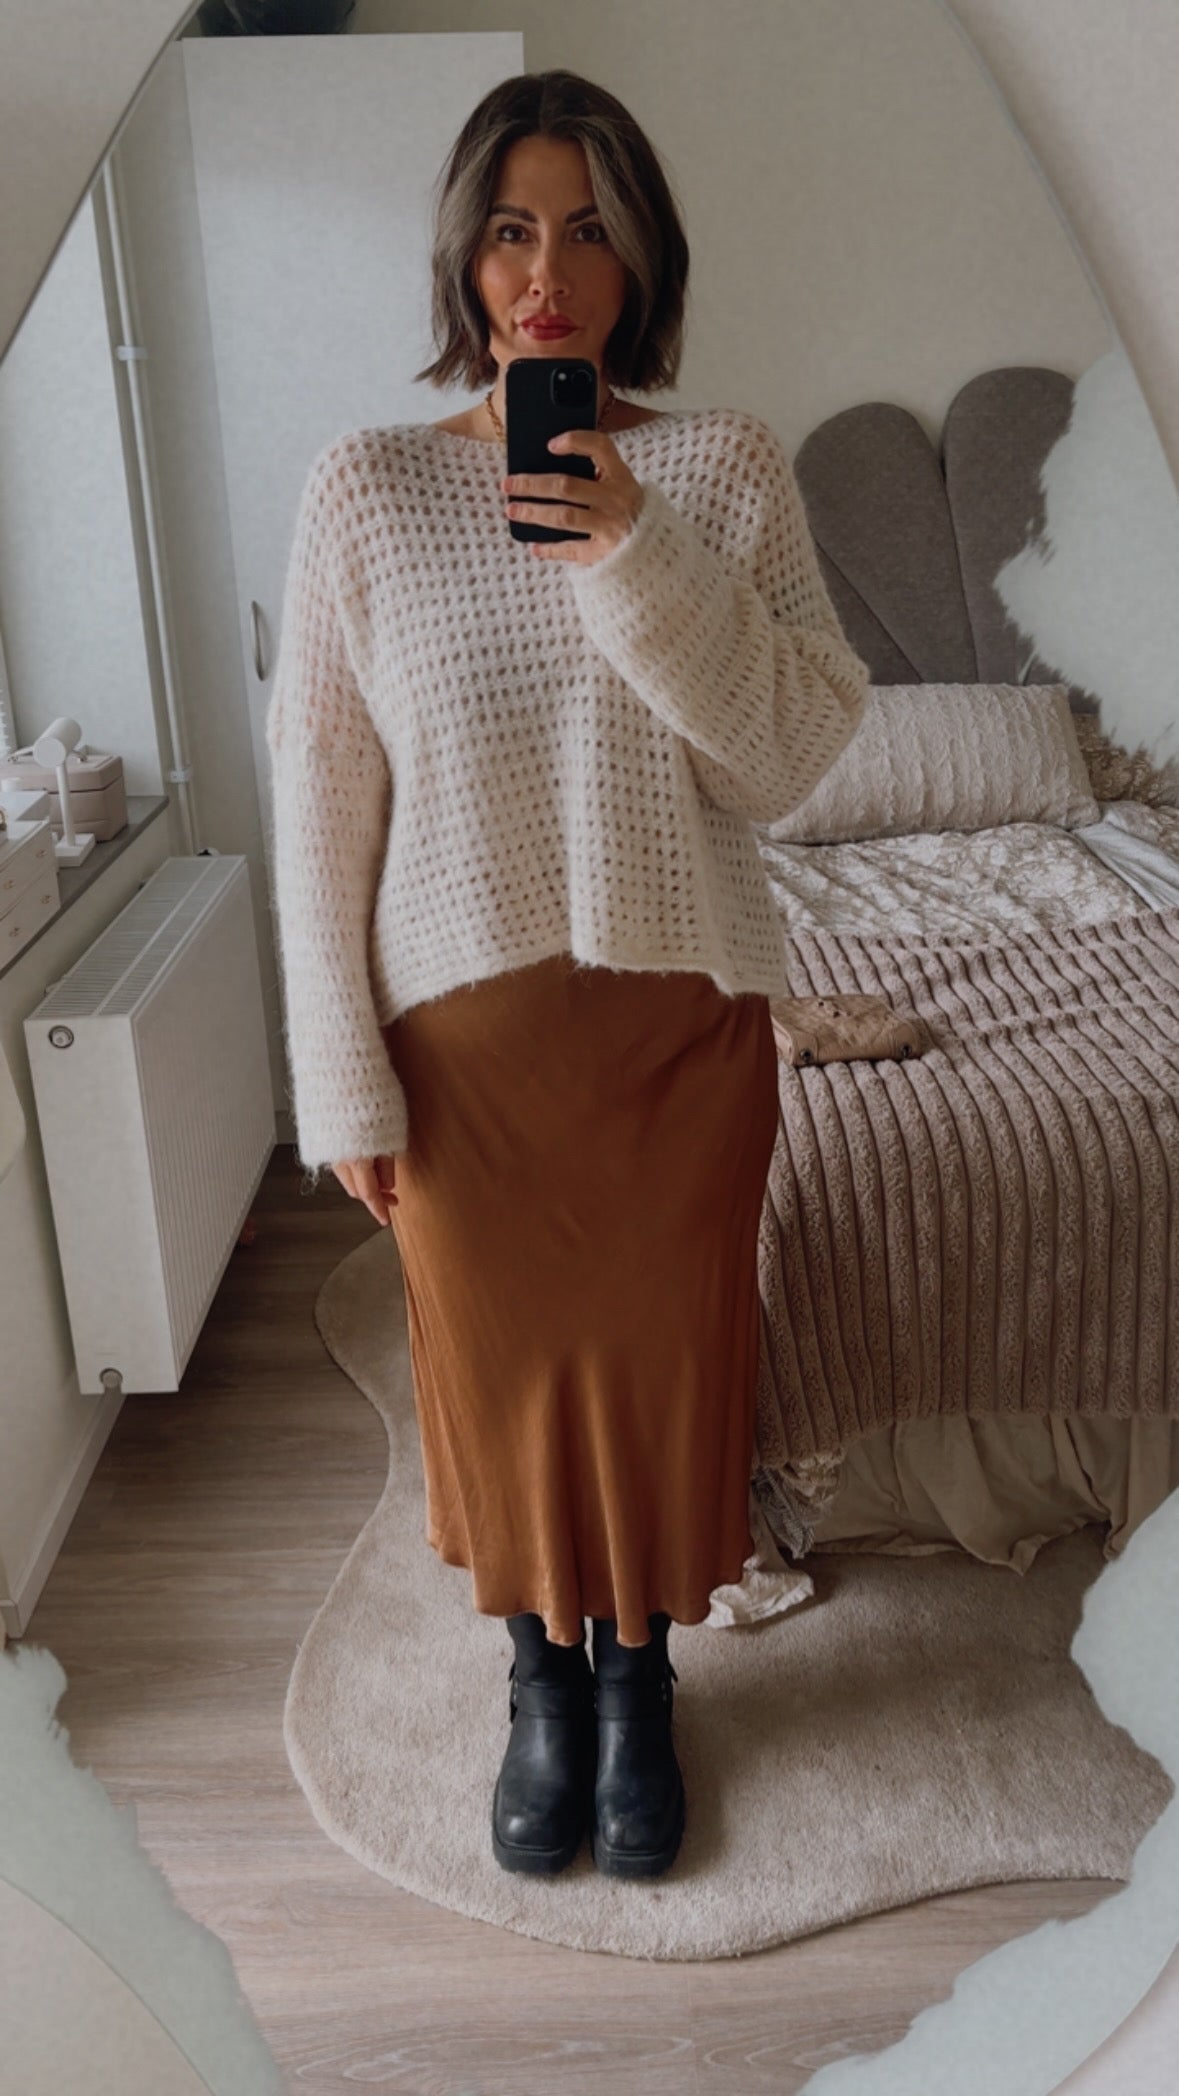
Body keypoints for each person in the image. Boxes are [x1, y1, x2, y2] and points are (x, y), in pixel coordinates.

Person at [264, 69, 870, 1883]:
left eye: (591, 230)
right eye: (516, 229)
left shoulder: (724, 473)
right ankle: (542, 1682)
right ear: (466, 258)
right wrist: (340, 1076)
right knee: (509, 1386)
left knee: (662, 1377)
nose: (549, 273)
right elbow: (319, 796)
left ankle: (641, 1680)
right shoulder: (368, 488)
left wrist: (632, 545)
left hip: (680, 1042)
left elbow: (785, 759)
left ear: (642, 259)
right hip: (467, 1062)